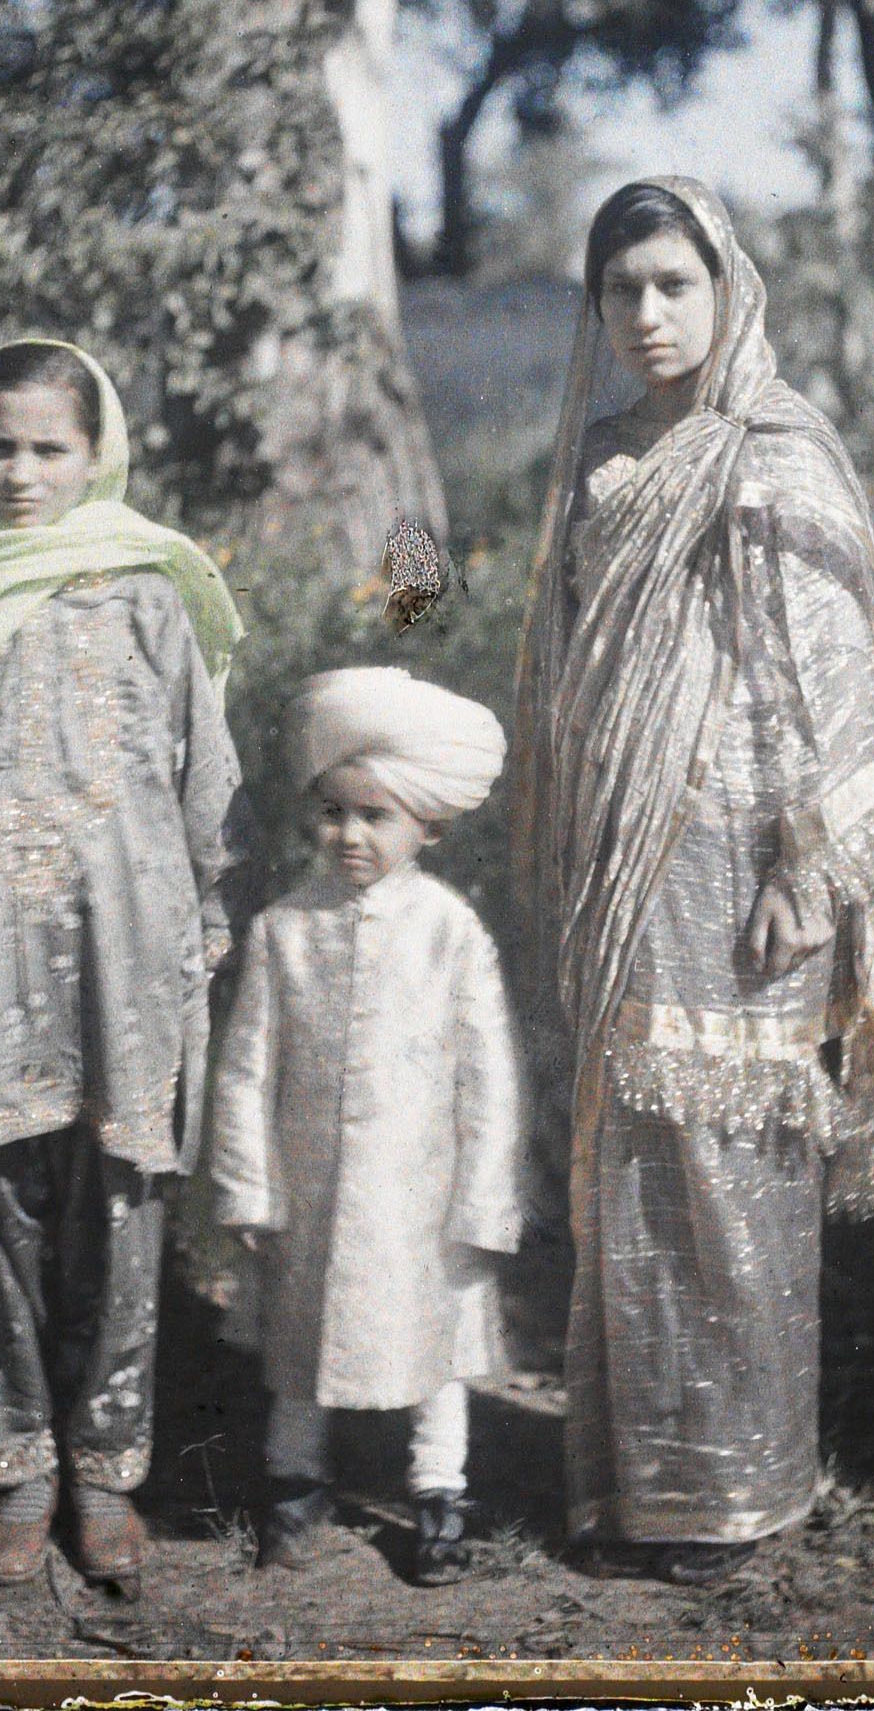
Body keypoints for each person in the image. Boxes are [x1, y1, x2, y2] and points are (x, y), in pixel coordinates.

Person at [511, 178, 874, 1584]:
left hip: (746, 866)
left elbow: (822, 690)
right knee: (630, 1159)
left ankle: (742, 1489)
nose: (645, 314)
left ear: (725, 288)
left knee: (732, 1161)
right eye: (619, 289)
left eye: (671, 284)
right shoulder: (592, 462)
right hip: (621, 865)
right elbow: (566, 678)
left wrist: (805, 871)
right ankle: (637, 1486)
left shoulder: (773, 454)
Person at [0, 338, 252, 1594]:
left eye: (51, 448)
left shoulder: (145, 589)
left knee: (122, 1210)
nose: (22, 473)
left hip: (125, 958)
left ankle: (107, 1468)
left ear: (98, 452)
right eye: (1, 445)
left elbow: (204, 782)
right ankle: (17, 1463)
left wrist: (202, 933)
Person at [208, 667, 521, 1586]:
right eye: (333, 813)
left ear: (427, 825)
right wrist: (247, 1187)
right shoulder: (282, 930)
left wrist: (484, 1199)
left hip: (418, 1193)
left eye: (374, 817)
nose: (348, 835)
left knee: (436, 1349)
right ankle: (294, 1486)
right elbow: (245, 1070)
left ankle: (437, 1496)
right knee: (300, 1346)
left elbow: (488, 1076)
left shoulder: (448, 930)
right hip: (308, 1185)